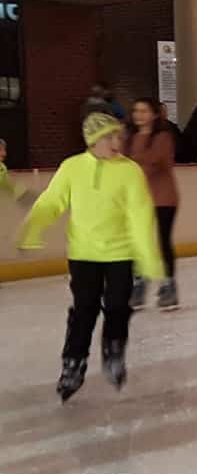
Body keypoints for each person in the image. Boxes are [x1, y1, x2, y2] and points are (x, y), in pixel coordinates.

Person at [18, 113, 164, 402]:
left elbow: (141, 217)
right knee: (84, 310)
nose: (117, 141)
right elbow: (52, 201)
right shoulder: (72, 168)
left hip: (121, 254)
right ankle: (73, 363)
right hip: (84, 255)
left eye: (119, 136)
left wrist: (148, 258)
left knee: (118, 307)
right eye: (110, 136)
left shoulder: (129, 171)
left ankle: (113, 350)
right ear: (94, 140)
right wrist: (32, 229)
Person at [126, 98, 180, 311]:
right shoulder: (129, 138)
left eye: (144, 111)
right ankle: (139, 282)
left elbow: (157, 160)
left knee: (162, 240)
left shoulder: (163, 137)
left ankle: (168, 285)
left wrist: (133, 161)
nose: (139, 115)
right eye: (136, 110)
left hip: (163, 197)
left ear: (154, 115)